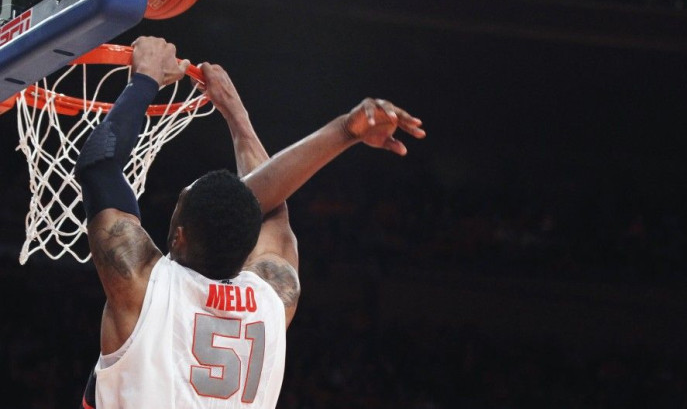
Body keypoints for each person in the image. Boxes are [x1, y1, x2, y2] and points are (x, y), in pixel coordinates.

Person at [76, 36, 426, 408]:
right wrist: (238, 114)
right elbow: (270, 207)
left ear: (178, 236)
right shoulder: (272, 297)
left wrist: (146, 78)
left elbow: (101, 166)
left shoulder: (144, 287)